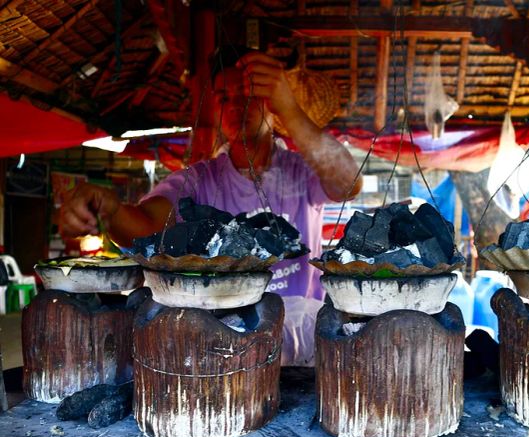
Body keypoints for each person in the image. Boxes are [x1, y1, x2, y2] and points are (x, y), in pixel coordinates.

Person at [59, 50, 362, 301]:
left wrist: (291, 110)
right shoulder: (200, 181)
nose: (236, 106)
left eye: (249, 94)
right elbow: (147, 227)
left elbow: (349, 183)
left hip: (301, 338)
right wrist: (110, 210)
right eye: (225, 98)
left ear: (273, 106)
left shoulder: (301, 169)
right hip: (229, 340)